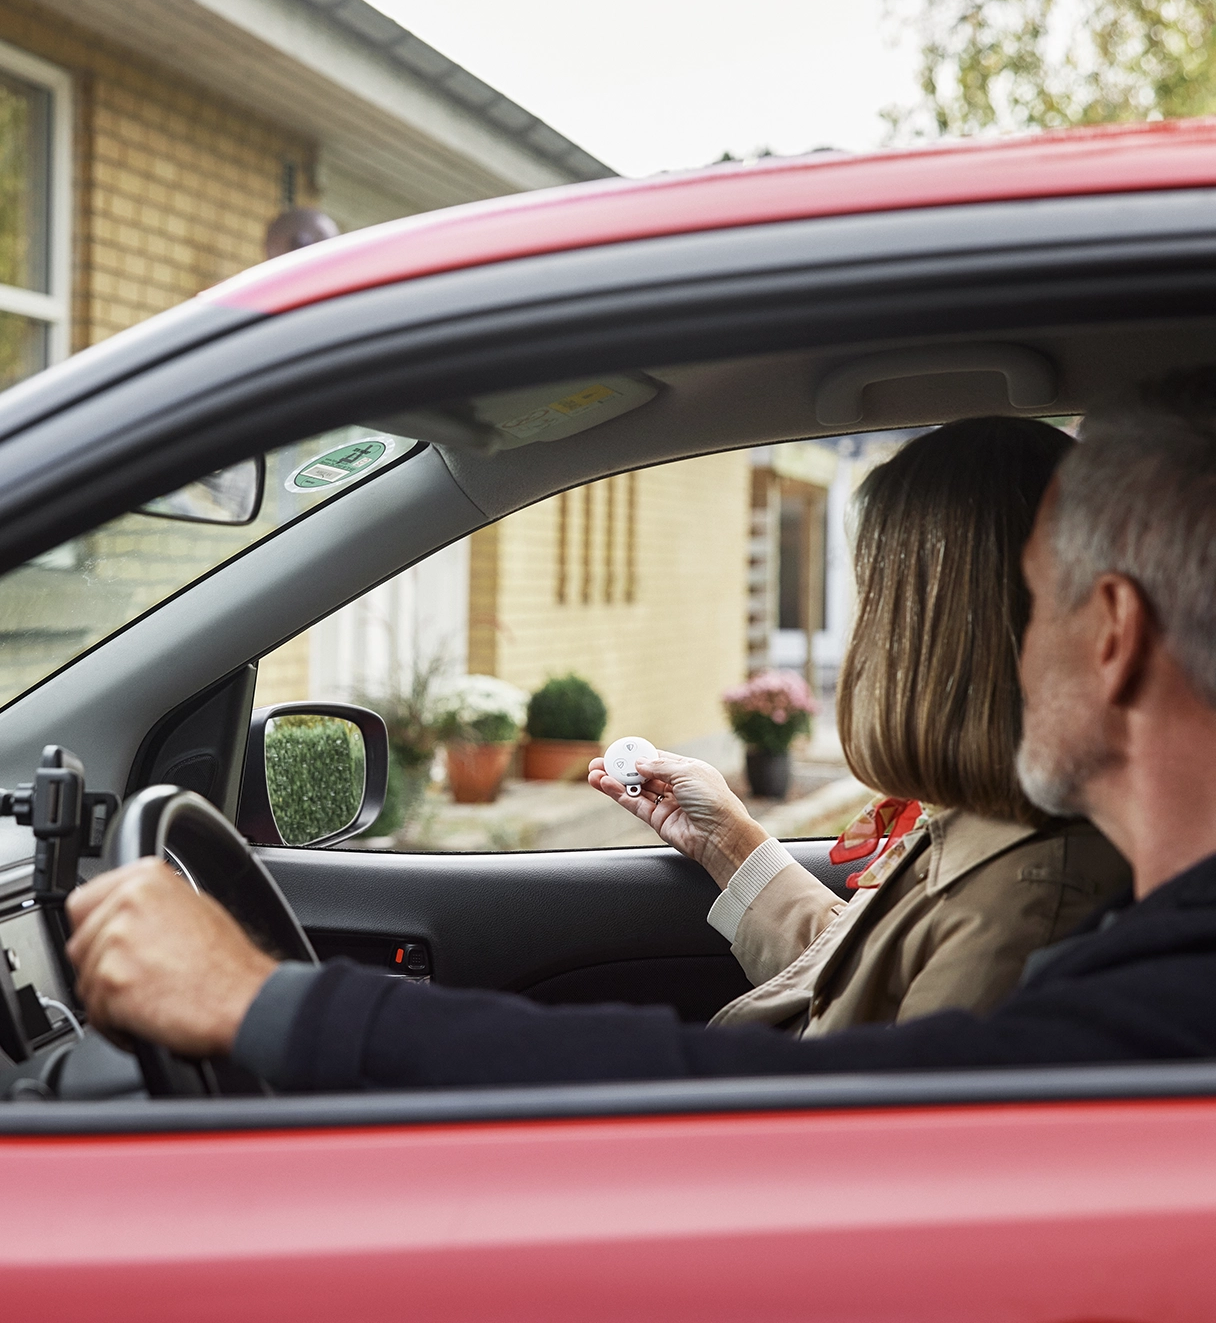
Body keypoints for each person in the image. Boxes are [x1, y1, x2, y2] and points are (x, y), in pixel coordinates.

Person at [62, 373, 1216, 1088]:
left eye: (1035, 594)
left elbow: (823, 1113)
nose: (1003, 639)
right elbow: (867, 995)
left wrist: (271, 1004)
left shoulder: (1108, 953)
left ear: (1108, 628)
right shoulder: (1085, 908)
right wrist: (733, 848)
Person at [588, 418, 1128, 1040]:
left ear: (948, 631)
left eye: (882, 599)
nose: (863, 640)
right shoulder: (986, 827)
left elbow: (876, 1110)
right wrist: (728, 843)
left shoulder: (1025, 906)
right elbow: (865, 981)